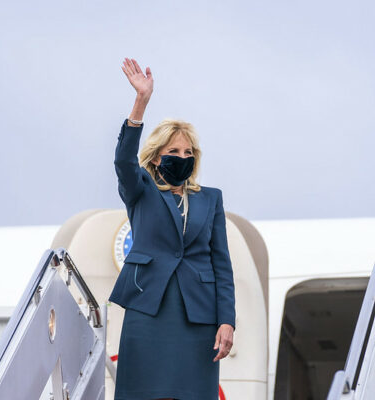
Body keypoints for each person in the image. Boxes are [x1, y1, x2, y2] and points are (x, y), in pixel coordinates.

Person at [108, 57, 236, 400]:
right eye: (174, 151)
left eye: (188, 151)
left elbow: (221, 264)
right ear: (156, 157)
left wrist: (227, 320)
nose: (183, 156)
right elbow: (122, 161)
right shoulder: (141, 191)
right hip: (148, 310)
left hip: (198, 317)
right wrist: (141, 102)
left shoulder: (211, 199)